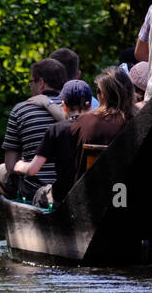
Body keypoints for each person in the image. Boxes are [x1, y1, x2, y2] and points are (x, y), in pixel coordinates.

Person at [12, 80, 92, 208]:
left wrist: (19, 165)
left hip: (62, 196)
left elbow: (32, 170)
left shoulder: (56, 130)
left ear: (64, 105)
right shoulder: (96, 129)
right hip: (90, 194)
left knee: (40, 193)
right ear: (90, 105)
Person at [0, 58, 67, 198]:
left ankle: (20, 202)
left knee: (0, 170)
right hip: (67, 187)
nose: (30, 86)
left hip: (34, 188)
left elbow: (10, 166)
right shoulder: (72, 110)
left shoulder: (20, 109)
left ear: (41, 83)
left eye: (31, 81)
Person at [71, 68, 135, 176]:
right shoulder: (138, 123)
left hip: (85, 189)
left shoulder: (83, 122)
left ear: (103, 95)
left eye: (98, 91)